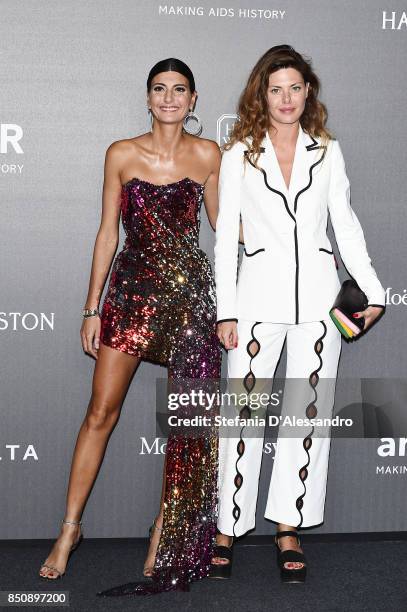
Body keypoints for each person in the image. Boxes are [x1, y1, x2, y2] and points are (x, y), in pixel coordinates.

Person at [38, 57, 222, 595]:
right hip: (133, 294)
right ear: (148, 97)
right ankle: (70, 530)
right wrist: (91, 307)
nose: (169, 98)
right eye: (159, 89)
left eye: (179, 90)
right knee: (101, 412)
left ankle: (165, 534)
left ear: (193, 100)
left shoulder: (210, 154)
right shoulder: (120, 153)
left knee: (187, 423)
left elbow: (225, 228)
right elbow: (106, 235)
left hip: (190, 299)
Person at [210, 45, 385, 583]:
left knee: (305, 418)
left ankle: (289, 526)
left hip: (317, 303)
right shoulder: (239, 153)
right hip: (257, 299)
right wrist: (227, 310)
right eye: (275, 88)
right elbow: (224, 240)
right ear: (261, 95)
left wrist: (374, 291)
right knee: (242, 416)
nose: (286, 98)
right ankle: (227, 527)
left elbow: (345, 224)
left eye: (295, 87)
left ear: (308, 92)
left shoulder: (328, 152)